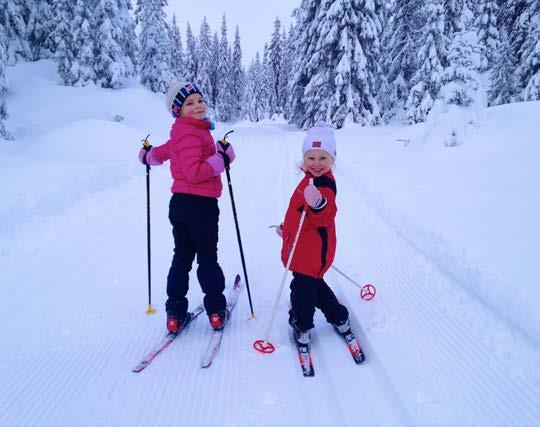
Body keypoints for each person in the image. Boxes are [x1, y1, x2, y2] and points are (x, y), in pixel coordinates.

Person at [138, 82, 235, 333]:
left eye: (200, 100)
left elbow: (163, 153)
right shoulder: (192, 133)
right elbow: (195, 172)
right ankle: (215, 311)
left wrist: (147, 156)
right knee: (206, 258)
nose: (197, 106)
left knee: (182, 258)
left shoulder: (182, 131)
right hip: (200, 206)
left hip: (180, 205)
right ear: (178, 111)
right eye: (189, 103)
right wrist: (222, 159)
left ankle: (175, 313)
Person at [277, 121, 351, 345]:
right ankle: (340, 317)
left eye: (323, 158)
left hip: (310, 253)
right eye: (311, 158)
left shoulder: (324, 185)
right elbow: (300, 212)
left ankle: (302, 325)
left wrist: (318, 204)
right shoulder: (309, 178)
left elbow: (325, 215)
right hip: (306, 249)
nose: (316, 163)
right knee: (316, 287)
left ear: (332, 159)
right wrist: (286, 228)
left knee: (302, 292)